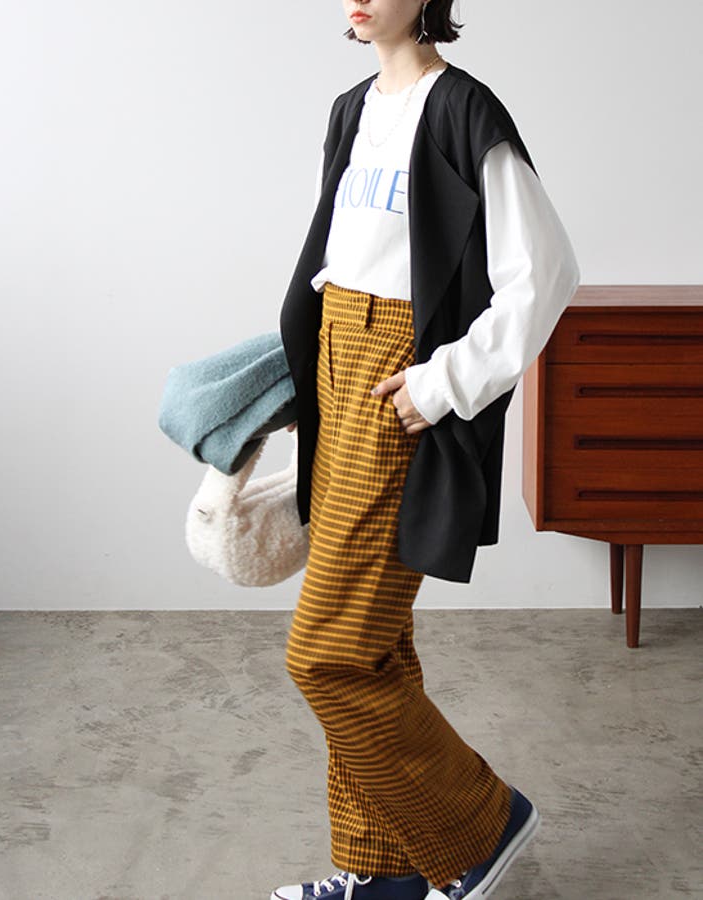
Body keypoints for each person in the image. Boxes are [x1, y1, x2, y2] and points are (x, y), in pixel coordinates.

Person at [271, 1, 581, 899]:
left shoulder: (462, 109)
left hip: (394, 374)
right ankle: (383, 874)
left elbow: (547, 272)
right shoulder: (351, 108)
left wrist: (446, 382)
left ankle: (484, 822)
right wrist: (303, 373)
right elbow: (341, 260)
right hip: (338, 358)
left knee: (327, 652)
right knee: (373, 644)